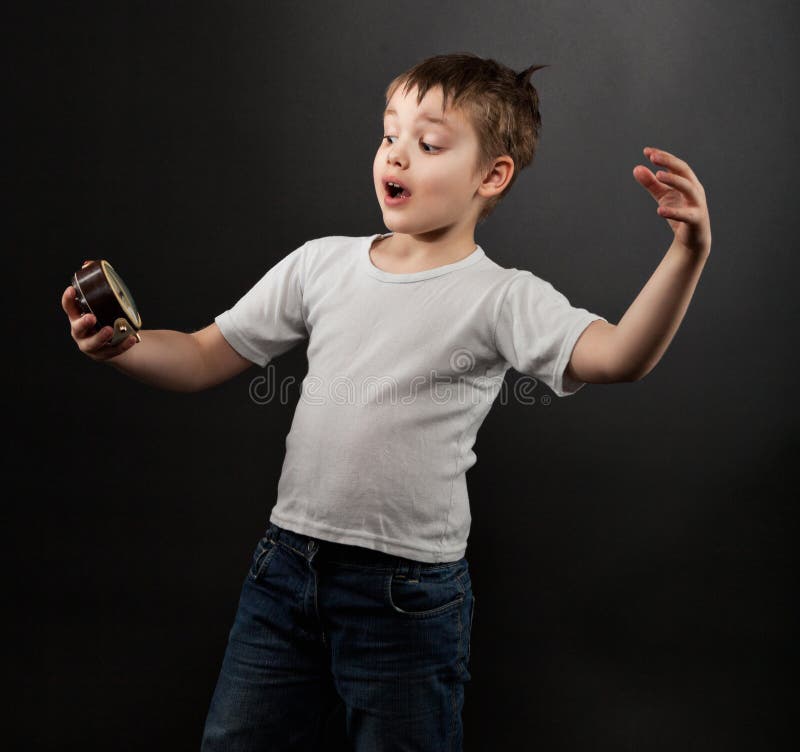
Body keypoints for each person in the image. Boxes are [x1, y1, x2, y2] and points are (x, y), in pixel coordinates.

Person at [61, 52, 711, 751]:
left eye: (428, 144)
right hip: (286, 570)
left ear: (492, 175)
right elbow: (198, 355)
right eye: (388, 134)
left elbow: (619, 357)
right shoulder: (321, 263)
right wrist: (124, 346)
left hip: (408, 595)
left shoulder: (503, 296)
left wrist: (687, 253)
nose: (396, 155)